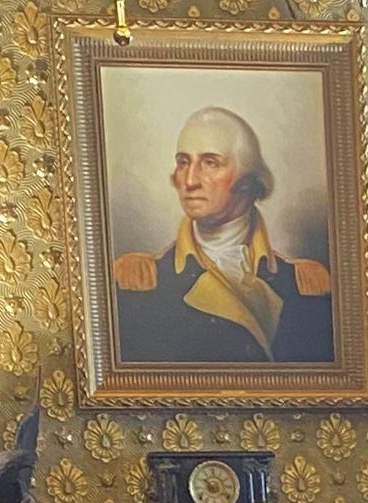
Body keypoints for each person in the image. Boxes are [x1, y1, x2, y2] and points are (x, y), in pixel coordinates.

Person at [110, 104, 334, 365]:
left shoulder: (306, 284)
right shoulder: (139, 284)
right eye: (183, 162)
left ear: (247, 179)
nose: (190, 180)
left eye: (210, 163)